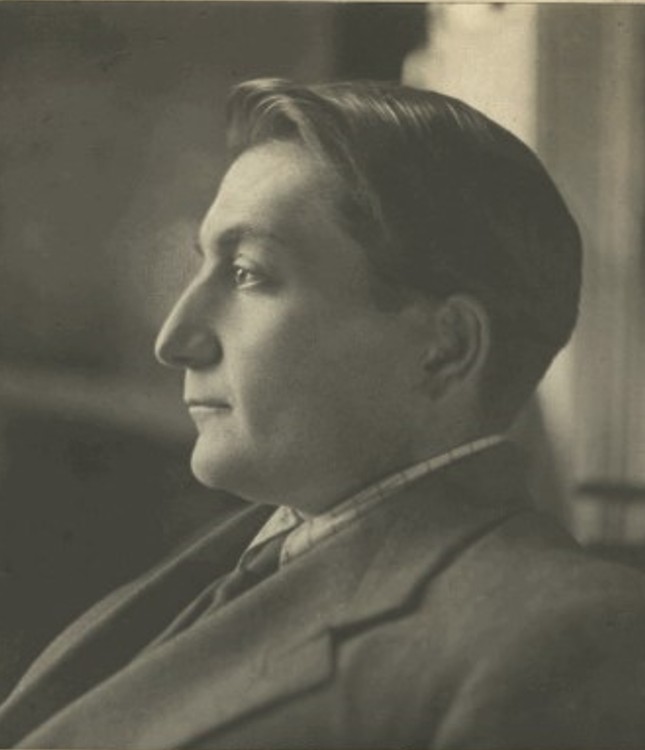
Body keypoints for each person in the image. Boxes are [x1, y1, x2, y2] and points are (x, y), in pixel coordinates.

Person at [1, 78, 645, 749]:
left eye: (247, 273)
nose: (174, 340)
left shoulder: (567, 638)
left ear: (445, 348)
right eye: (203, 266)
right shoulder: (211, 568)